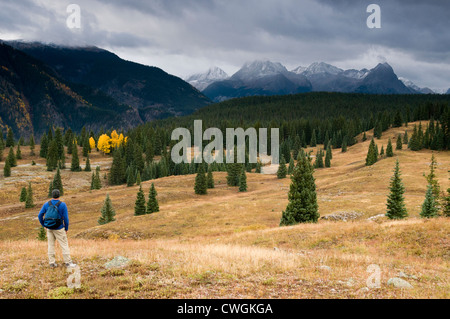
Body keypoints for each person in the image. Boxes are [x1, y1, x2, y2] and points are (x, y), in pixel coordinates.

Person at [38, 189, 76, 268]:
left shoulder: (46, 204)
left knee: (50, 245)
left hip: (49, 228)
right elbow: (66, 218)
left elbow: (39, 215)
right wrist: (66, 228)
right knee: (64, 245)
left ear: (52, 195)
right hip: (59, 228)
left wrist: (44, 225)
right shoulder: (62, 205)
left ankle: (52, 263)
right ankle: (68, 263)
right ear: (59, 195)